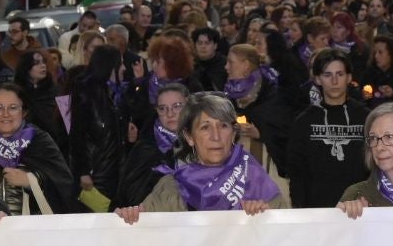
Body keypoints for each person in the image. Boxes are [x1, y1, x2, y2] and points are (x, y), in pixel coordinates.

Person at [116, 92, 290, 216]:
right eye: (205, 127)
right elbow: (145, 240)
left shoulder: (254, 177)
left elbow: (287, 237)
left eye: (223, 126)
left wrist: (265, 217)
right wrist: (129, 218)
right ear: (190, 137)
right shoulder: (172, 188)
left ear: (233, 133)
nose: (216, 136)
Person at [0, 82, 75, 215]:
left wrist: (32, 180)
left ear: (24, 112)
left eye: (13, 108)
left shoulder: (40, 142)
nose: (5, 114)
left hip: (32, 229)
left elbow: (64, 184)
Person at [284, 48, 370, 208]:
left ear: (349, 77)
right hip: (317, 211)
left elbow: (376, 167)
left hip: (359, 208)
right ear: (317, 79)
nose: (334, 81)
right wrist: (300, 211)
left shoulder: (366, 118)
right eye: (327, 75)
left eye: (340, 74)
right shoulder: (304, 122)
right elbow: (297, 174)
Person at [69, 46, 129, 209]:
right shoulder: (86, 94)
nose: (124, 68)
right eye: (121, 64)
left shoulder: (115, 95)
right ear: (110, 66)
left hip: (114, 172)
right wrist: (83, 172)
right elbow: (77, 136)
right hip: (96, 176)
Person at [118, 82, 189, 208]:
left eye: (176, 106)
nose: (169, 114)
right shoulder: (145, 149)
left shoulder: (198, 142)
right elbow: (132, 198)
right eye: (162, 108)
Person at [223, 43, 291, 172]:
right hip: (239, 169)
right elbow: (240, 116)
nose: (226, 67)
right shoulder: (230, 95)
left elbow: (286, 132)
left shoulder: (273, 94)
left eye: (230, 62)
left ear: (245, 65)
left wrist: (261, 134)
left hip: (271, 171)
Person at [16, 50, 69, 149]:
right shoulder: (15, 93)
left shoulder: (59, 91)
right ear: (26, 67)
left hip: (56, 147)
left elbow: (69, 122)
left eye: (43, 62)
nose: (43, 65)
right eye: (37, 63)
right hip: (26, 148)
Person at [192, 26, 228, 91]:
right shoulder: (190, 63)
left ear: (215, 46)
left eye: (207, 43)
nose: (203, 46)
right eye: (199, 43)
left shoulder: (225, 64)